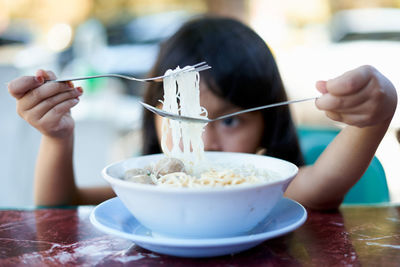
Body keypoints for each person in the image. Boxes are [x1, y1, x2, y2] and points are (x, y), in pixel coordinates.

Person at [8, 16, 397, 209]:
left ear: (267, 125)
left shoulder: (266, 191)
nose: (207, 139)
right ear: (153, 117)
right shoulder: (152, 187)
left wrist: (377, 112)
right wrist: (58, 137)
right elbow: (59, 210)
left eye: (230, 120)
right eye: (181, 116)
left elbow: (327, 184)